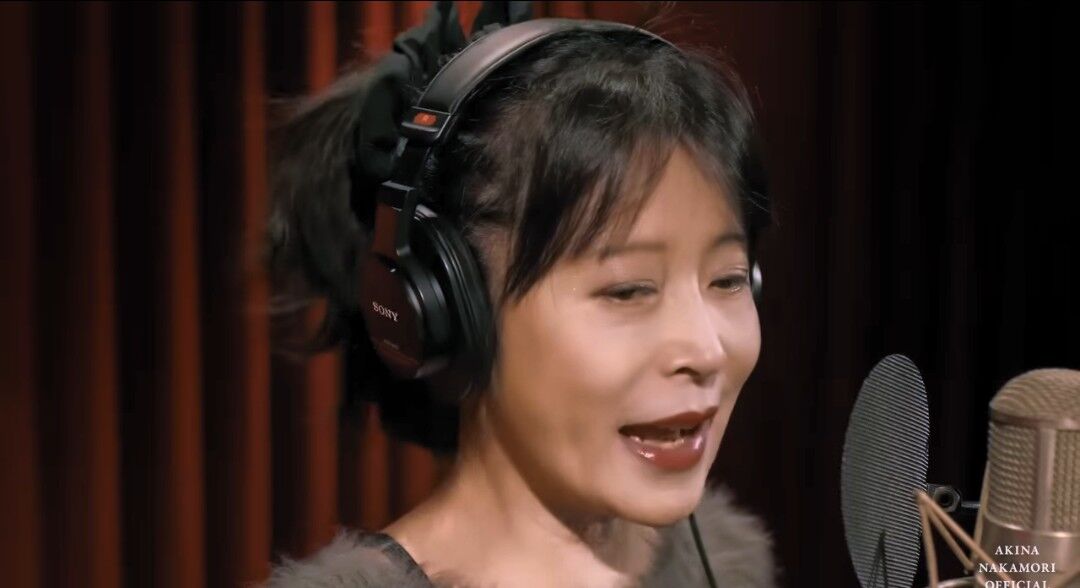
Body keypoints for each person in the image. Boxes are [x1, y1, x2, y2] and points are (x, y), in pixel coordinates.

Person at [263, 2, 777, 586]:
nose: (707, 350)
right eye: (629, 290)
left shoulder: (728, 567)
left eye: (728, 280)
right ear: (446, 309)